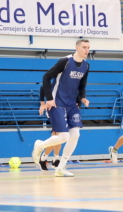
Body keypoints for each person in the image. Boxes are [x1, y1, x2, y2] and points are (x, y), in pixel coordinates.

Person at [32, 39, 90, 177]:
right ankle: (40, 145)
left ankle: (60, 168)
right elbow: (46, 77)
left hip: (72, 104)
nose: (87, 50)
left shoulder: (86, 66)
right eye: (84, 47)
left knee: (75, 135)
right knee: (63, 136)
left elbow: (81, 85)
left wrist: (82, 98)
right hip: (57, 103)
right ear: (76, 48)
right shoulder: (65, 61)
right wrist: (49, 99)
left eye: (88, 47)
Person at [38, 86, 62, 171]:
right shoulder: (49, 84)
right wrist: (42, 104)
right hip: (51, 109)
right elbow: (42, 88)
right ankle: (44, 158)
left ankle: (54, 158)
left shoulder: (63, 84)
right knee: (58, 134)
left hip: (61, 109)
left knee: (59, 135)